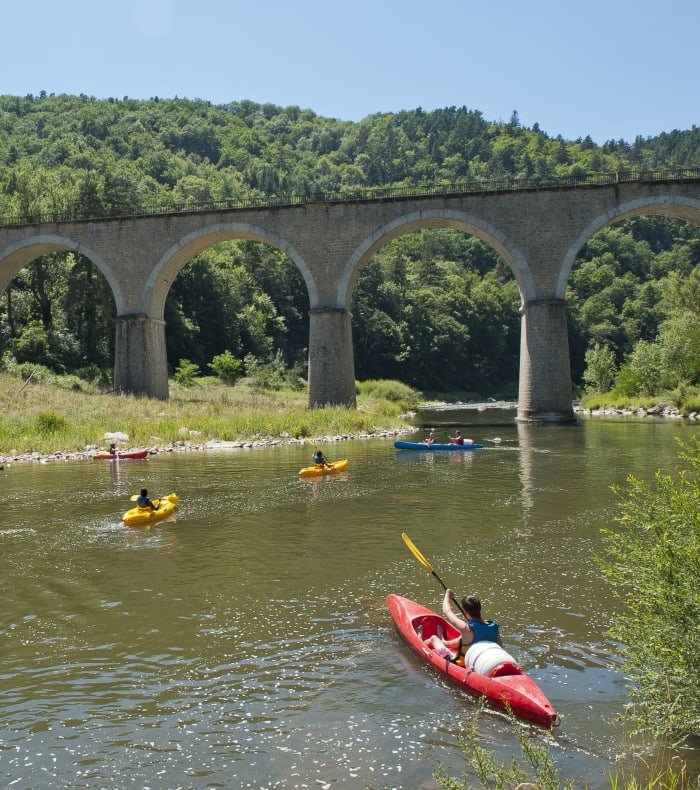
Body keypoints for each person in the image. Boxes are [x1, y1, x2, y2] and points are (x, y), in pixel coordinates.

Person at [425, 589, 501, 664]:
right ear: (479, 609)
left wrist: (447, 595)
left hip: (460, 664)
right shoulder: (494, 626)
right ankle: (444, 641)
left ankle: (421, 644)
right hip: (482, 663)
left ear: (465, 612)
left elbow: (446, 611)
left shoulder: (466, 628)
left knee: (434, 638)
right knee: (463, 639)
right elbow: (499, 647)